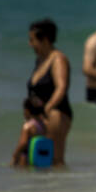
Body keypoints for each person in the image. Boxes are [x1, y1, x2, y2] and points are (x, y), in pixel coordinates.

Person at [26, 18, 73, 167]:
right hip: (39, 117)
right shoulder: (40, 60)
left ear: (45, 39)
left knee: (54, 159)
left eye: (32, 40)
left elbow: (61, 87)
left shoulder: (58, 59)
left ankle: (60, 188)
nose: (30, 44)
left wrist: (48, 109)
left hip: (56, 114)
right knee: (34, 160)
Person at [11, 96, 49, 167]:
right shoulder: (44, 125)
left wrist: (14, 156)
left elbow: (23, 143)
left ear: (27, 111)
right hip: (39, 156)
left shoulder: (27, 126)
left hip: (26, 157)